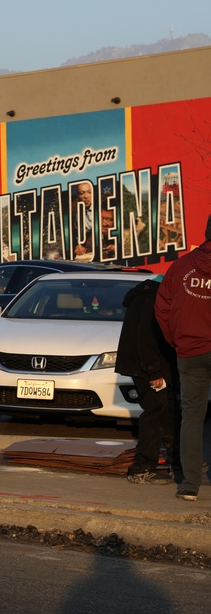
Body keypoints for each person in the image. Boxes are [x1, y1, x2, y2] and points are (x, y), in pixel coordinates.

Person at [155, 214, 211, 501]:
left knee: (192, 417)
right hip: (192, 348)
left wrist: (176, 339)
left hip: (189, 351)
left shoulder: (182, 266)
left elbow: (162, 307)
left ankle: (190, 485)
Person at [116, 276, 177, 484]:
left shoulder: (145, 294)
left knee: (166, 411)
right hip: (149, 366)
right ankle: (142, 466)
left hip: (143, 365)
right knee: (157, 412)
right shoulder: (154, 297)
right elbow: (147, 337)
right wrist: (154, 372)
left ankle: (176, 460)